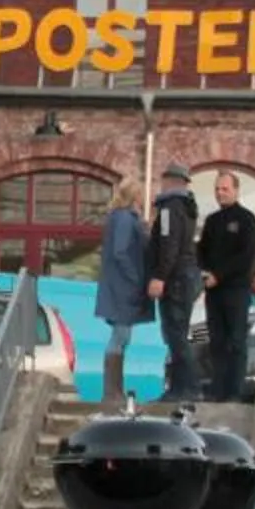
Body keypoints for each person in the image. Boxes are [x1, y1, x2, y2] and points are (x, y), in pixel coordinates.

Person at [196, 170, 255, 401]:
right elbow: (201, 250)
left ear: (235, 190)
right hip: (213, 291)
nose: (220, 193)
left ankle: (235, 390)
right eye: (217, 189)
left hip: (236, 289)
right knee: (217, 340)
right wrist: (203, 272)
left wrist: (219, 275)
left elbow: (246, 256)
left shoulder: (247, 220)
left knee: (235, 340)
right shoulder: (212, 221)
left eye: (225, 189)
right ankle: (218, 388)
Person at [142, 163, 201, 405]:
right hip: (186, 275)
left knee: (175, 334)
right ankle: (182, 387)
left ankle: (184, 389)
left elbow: (169, 245)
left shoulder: (168, 208)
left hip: (175, 278)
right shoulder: (188, 207)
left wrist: (159, 276)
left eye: (163, 179)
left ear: (170, 181)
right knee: (179, 333)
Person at [91, 175, 151, 408]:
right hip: (123, 288)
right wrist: (135, 278)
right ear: (135, 195)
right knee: (121, 336)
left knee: (121, 337)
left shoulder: (119, 218)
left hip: (117, 286)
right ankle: (112, 391)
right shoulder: (125, 219)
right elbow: (121, 251)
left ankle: (115, 390)